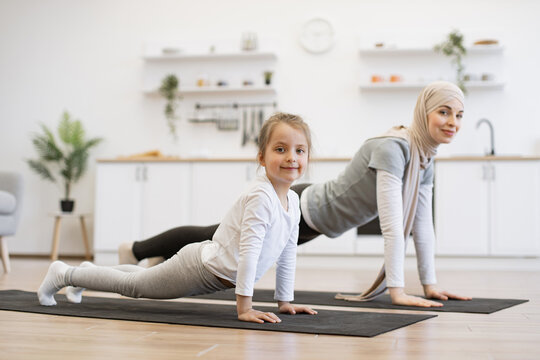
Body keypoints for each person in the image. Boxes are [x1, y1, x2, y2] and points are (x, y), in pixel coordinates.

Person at [119, 81, 472, 308]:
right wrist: (397, 291)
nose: (452, 122)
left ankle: (150, 257)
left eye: (458, 115)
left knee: (212, 236)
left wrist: (430, 284)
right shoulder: (394, 148)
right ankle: (135, 251)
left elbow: (422, 226)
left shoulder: (424, 158)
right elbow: (395, 226)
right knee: (212, 238)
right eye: (443, 112)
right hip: (305, 208)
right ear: (423, 111)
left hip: (315, 221)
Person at [37, 112, 318, 324]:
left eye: (299, 150)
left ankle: (85, 274)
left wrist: (285, 302)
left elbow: (287, 253)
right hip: (198, 269)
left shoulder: (292, 201)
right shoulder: (261, 197)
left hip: (209, 270)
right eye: (280, 149)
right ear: (261, 156)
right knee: (135, 287)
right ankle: (64, 274)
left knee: (144, 277)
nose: (291, 157)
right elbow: (250, 253)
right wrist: (245, 308)